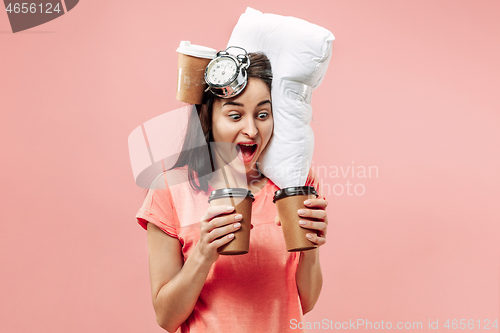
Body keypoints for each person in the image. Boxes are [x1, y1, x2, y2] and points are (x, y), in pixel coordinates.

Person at [136, 52, 329, 333]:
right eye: (235, 115)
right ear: (209, 118)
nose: (251, 129)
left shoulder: (295, 183)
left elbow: (306, 302)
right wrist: (204, 252)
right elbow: (166, 317)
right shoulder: (169, 188)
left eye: (263, 114)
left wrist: (311, 248)